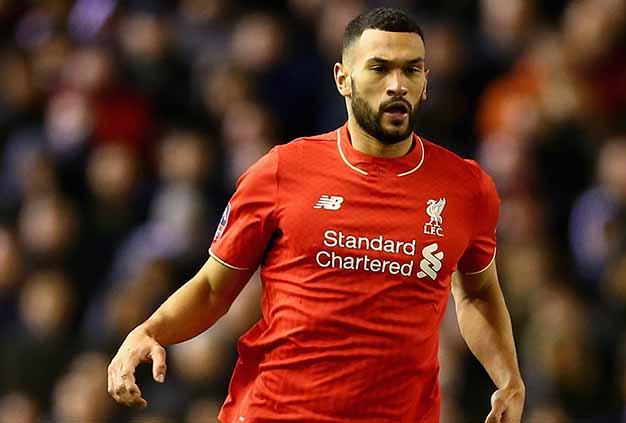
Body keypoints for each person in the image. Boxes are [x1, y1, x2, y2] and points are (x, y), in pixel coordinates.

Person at [108, 7, 525, 423]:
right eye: (379, 69)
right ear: (343, 78)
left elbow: (476, 293)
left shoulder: (466, 187)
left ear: (425, 82)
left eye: (411, 70)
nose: (397, 85)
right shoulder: (281, 170)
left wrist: (508, 377)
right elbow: (214, 289)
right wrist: (149, 330)